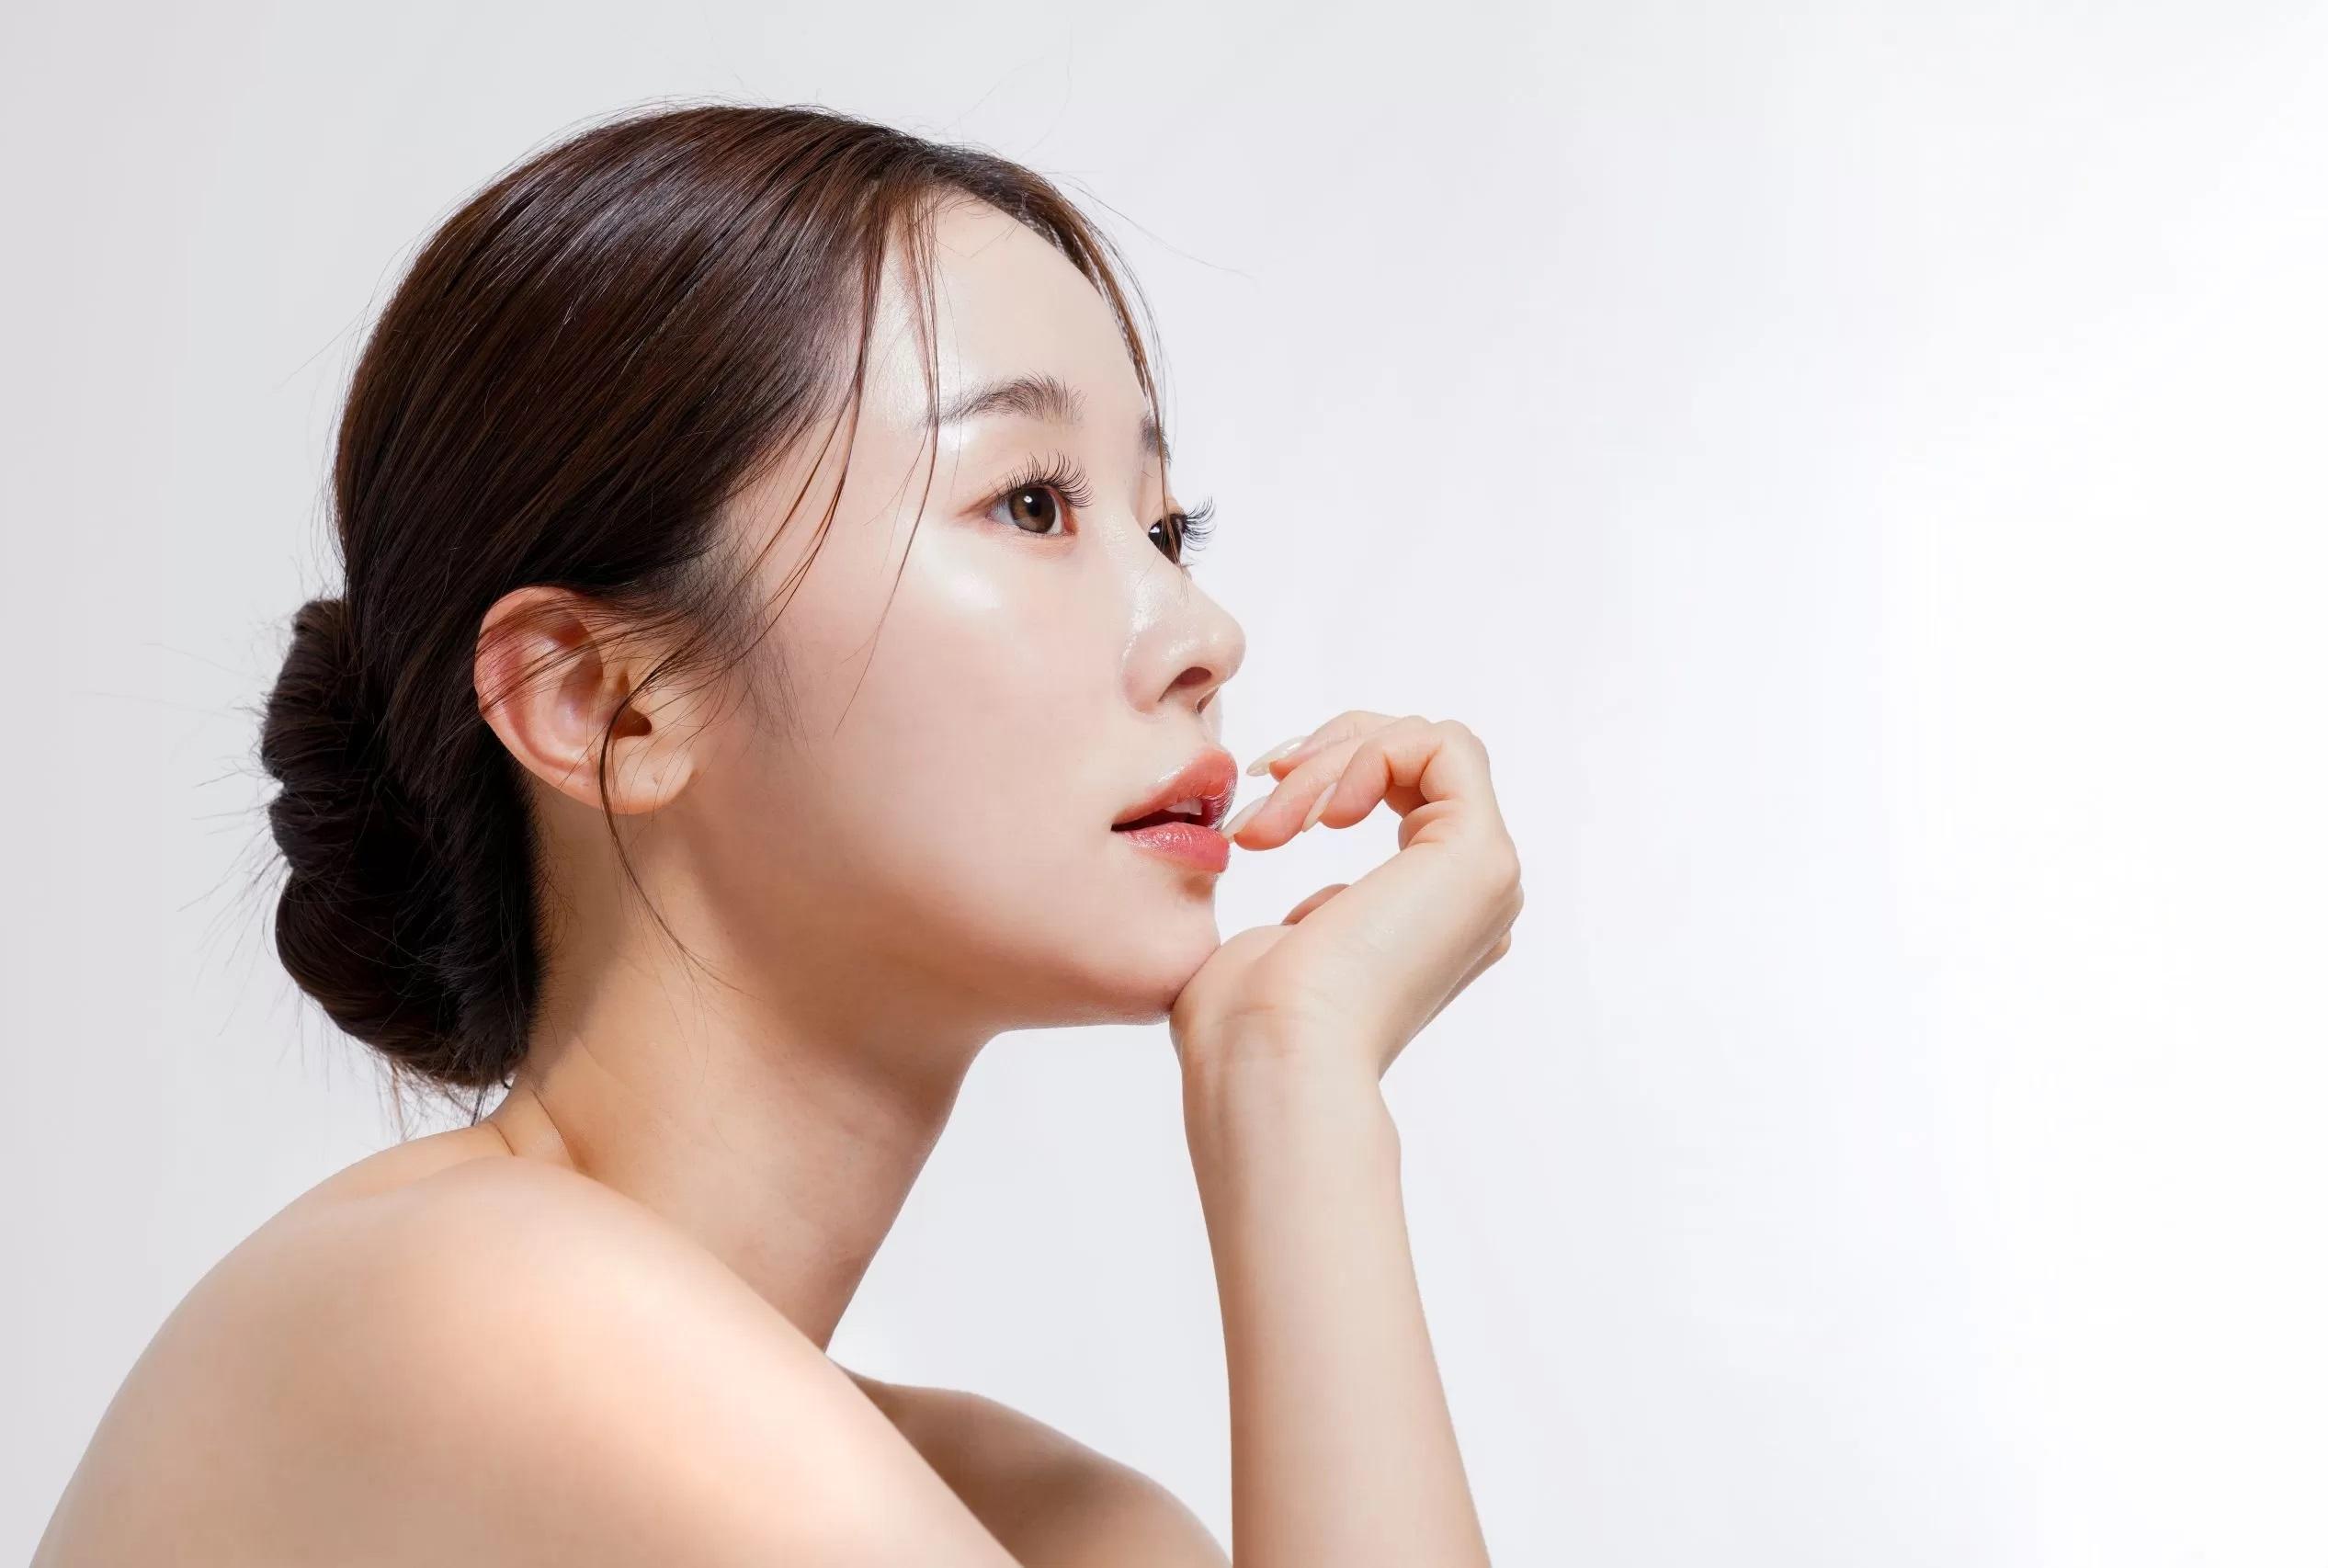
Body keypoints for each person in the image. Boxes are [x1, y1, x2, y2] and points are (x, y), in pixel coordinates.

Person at [33, 101, 1524, 1566]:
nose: (1203, 631)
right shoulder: (459, 1305)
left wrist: (1289, 1071)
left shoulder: (1043, 1518)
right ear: (607, 701)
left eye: (1165, 528)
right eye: (1029, 504)